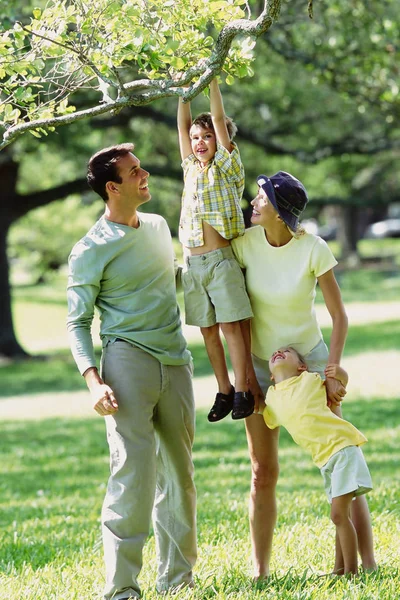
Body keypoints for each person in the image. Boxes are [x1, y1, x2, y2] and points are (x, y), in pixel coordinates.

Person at [66, 143, 197, 600]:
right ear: (112, 186)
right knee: (133, 475)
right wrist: (93, 381)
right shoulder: (89, 249)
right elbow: (77, 322)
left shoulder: (159, 226)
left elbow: (172, 277)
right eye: (134, 171)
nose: (144, 176)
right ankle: (122, 589)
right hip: (126, 363)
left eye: (142, 168)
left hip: (176, 361)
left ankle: (178, 580)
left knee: (180, 476)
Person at [231, 171, 377, 578]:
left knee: (340, 456)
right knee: (262, 469)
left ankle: (366, 564)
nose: (253, 203)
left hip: (310, 362)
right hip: (262, 367)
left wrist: (331, 371)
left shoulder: (313, 249)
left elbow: (339, 315)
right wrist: (244, 377)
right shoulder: (244, 245)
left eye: (261, 198)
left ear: (280, 211)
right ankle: (259, 569)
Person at [177, 78, 254, 422]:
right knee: (207, 331)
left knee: (230, 327)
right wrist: (183, 91)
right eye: (196, 138)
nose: (199, 142)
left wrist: (212, 82)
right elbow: (182, 123)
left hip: (221, 261)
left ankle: (242, 389)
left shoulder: (228, 167)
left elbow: (219, 121)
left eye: (206, 136)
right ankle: (223, 389)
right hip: (193, 265)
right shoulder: (190, 168)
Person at [264, 346, 373, 575]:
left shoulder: (309, 380)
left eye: (287, 351)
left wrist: (341, 374)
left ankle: (352, 574)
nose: (278, 352)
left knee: (338, 515)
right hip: (325, 461)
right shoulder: (272, 398)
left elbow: (338, 384)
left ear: (301, 366)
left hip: (342, 449)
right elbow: (263, 415)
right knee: (339, 516)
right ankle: (339, 569)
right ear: (271, 376)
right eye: (275, 352)